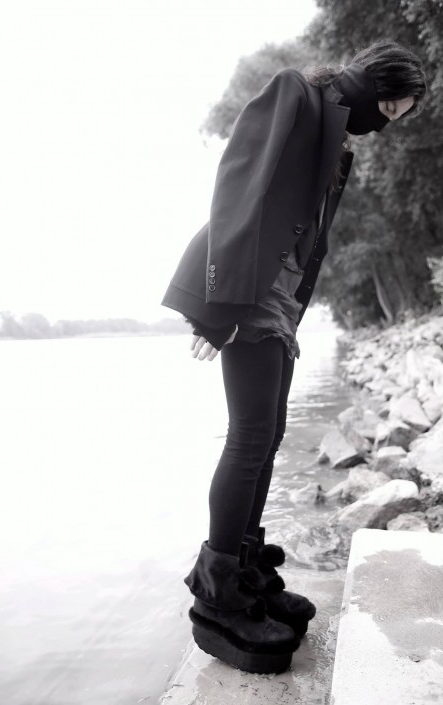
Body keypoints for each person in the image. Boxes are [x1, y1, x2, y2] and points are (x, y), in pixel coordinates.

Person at [161, 40, 426, 674]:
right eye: (392, 106)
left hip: (280, 299)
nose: (388, 121)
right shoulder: (295, 93)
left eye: (400, 115)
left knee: (271, 434)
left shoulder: (339, 139)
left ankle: (246, 570)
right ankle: (217, 598)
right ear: (375, 82)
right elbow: (237, 190)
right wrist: (220, 305)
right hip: (247, 288)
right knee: (249, 437)